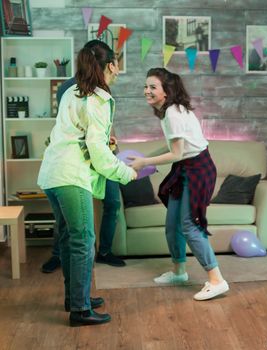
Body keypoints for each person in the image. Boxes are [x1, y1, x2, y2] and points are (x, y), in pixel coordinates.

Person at [37, 42, 137, 326]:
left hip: (52, 173)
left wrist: (105, 140)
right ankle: (80, 310)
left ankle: (75, 298)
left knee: (70, 238)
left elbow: (75, 132)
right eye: (116, 64)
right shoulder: (99, 98)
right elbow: (99, 156)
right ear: (111, 66)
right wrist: (126, 173)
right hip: (71, 175)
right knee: (83, 240)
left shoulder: (71, 90)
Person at [129, 67, 229, 301]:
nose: (147, 91)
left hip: (198, 170)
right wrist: (145, 157)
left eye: (153, 87)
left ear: (166, 91)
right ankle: (179, 272)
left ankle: (216, 280)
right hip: (186, 167)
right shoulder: (170, 111)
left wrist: (145, 161)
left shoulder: (172, 114)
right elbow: (175, 148)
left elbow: (176, 153)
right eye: (146, 86)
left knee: (189, 225)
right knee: (173, 223)